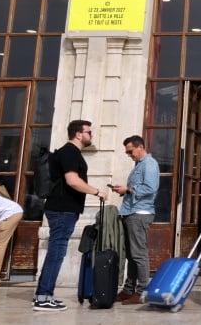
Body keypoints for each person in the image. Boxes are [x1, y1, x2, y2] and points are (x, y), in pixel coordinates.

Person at [33, 119, 107, 312]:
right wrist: (96, 191)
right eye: (89, 132)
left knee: (56, 252)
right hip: (62, 210)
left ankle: (44, 295)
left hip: (63, 209)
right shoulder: (70, 152)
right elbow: (72, 180)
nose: (91, 135)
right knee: (56, 253)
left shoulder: (69, 153)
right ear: (78, 134)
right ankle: (43, 298)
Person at [110, 135, 160, 304]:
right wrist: (124, 190)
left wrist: (128, 190)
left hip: (140, 213)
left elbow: (150, 188)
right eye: (127, 152)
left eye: (130, 151)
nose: (129, 155)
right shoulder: (139, 164)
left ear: (140, 147)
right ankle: (128, 289)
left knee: (138, 254)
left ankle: (142, 291)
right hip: (131, 212)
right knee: (131, 254)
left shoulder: (149, 164)